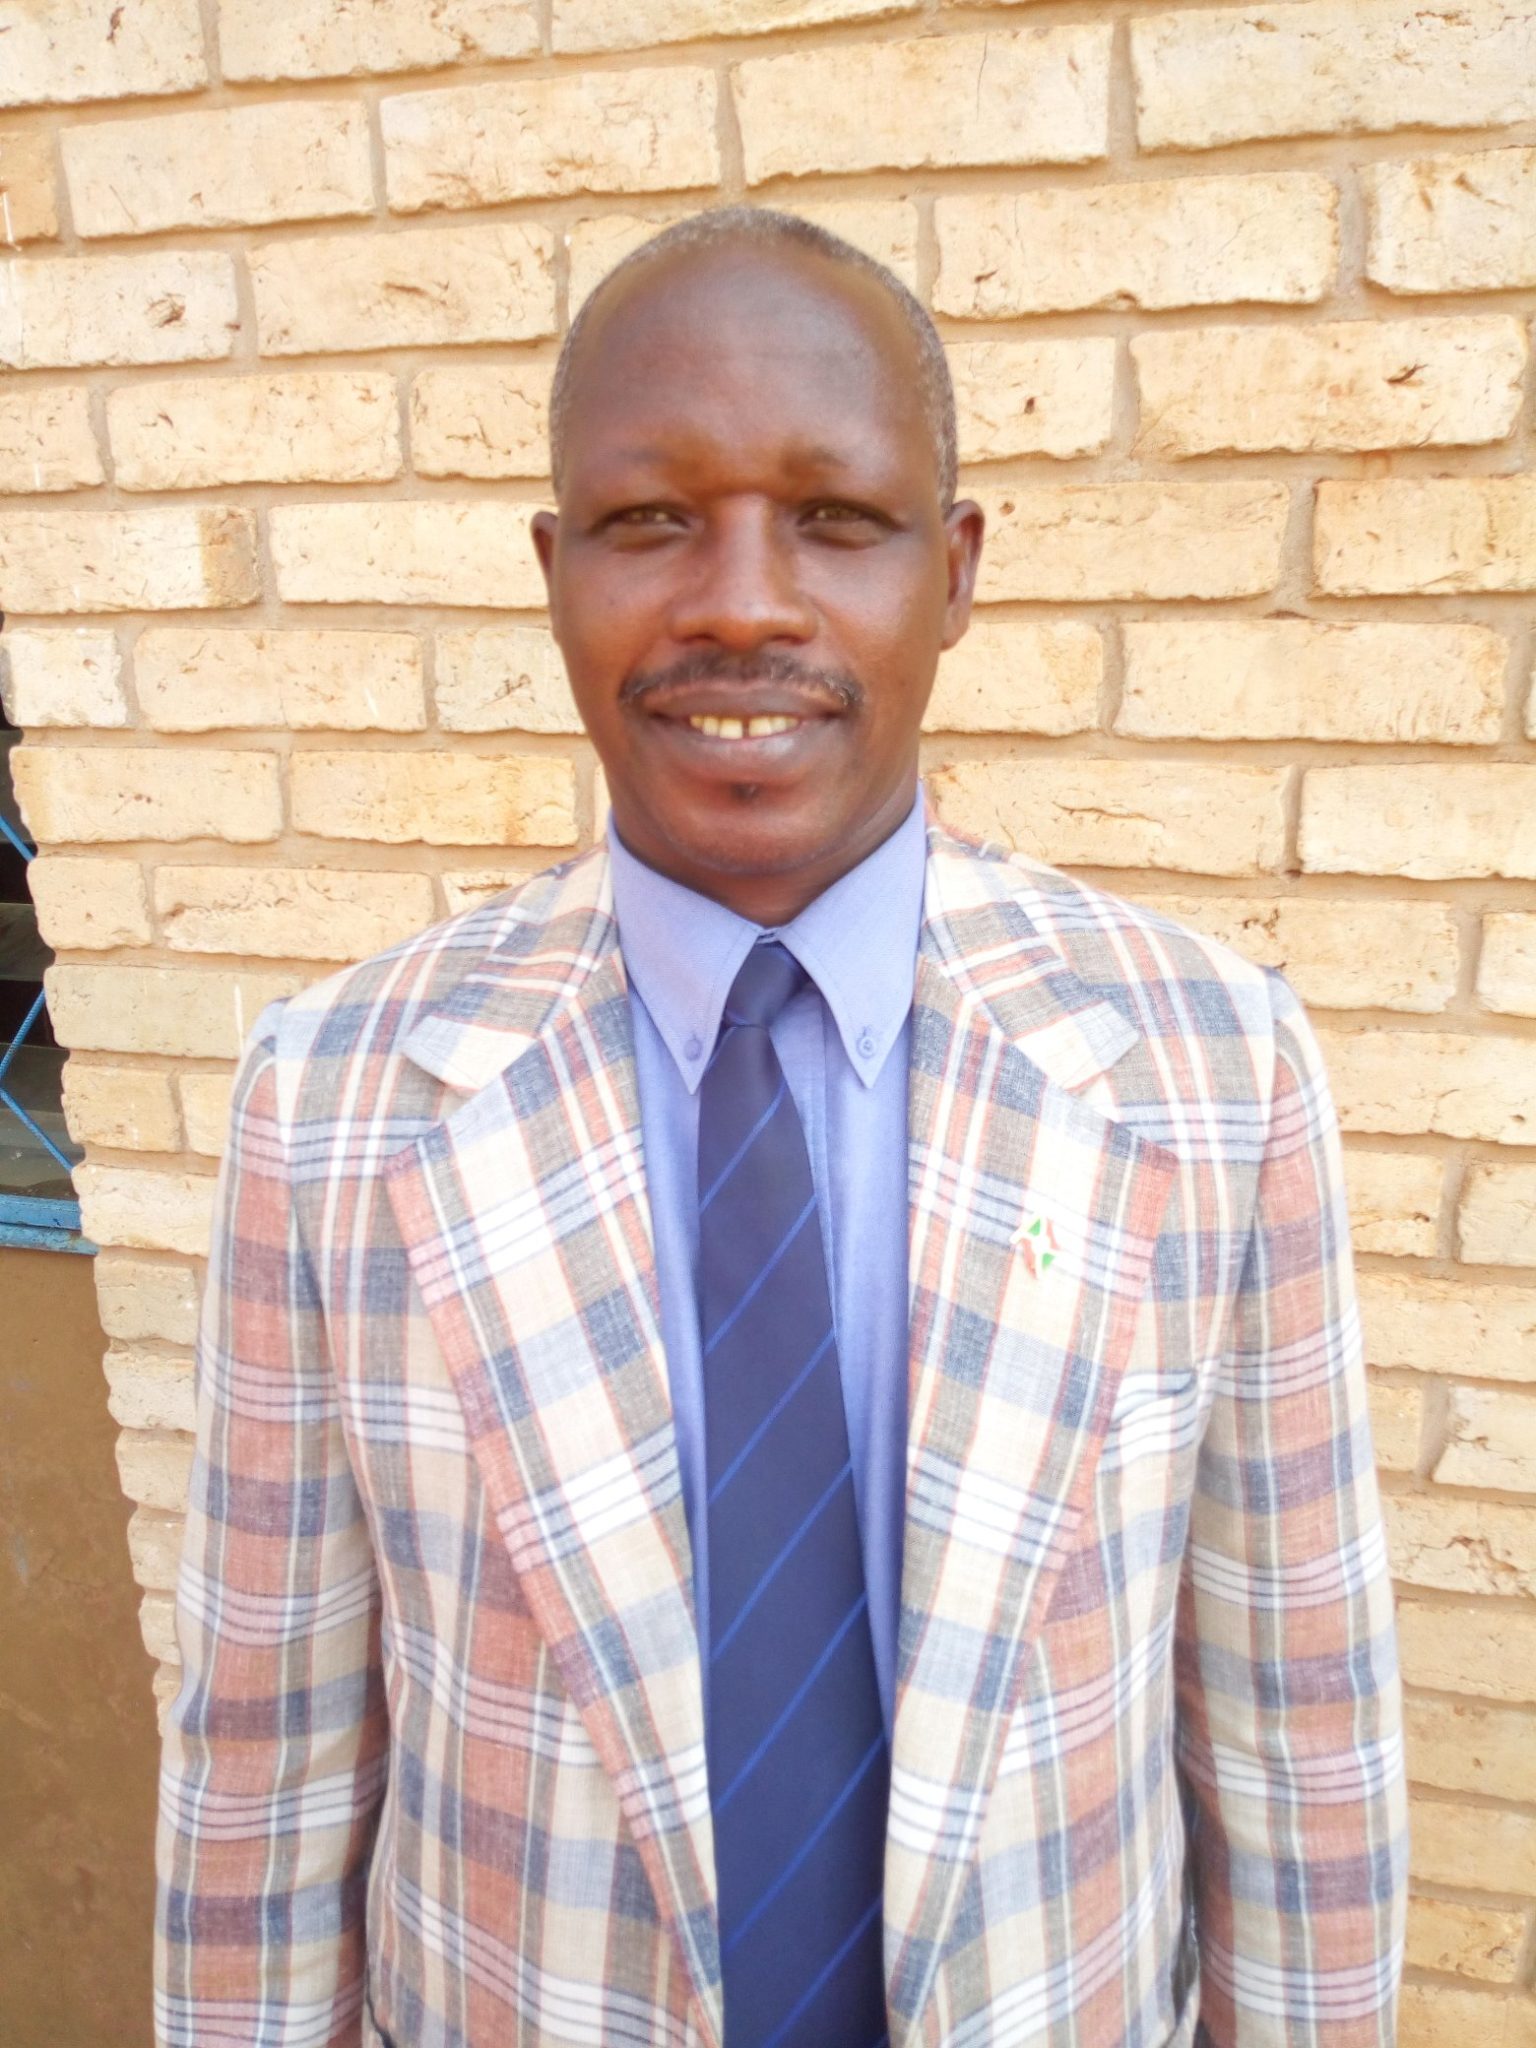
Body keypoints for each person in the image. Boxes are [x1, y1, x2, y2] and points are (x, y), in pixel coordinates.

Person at [155, 208, 1407, 2048]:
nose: (742, 602)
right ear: (553, 571)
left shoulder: (1207, 1069)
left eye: (835, 517)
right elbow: (264, 1785)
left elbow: (1300, 1747)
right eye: (652, 518)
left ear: (954, 571)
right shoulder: (337, 1100)